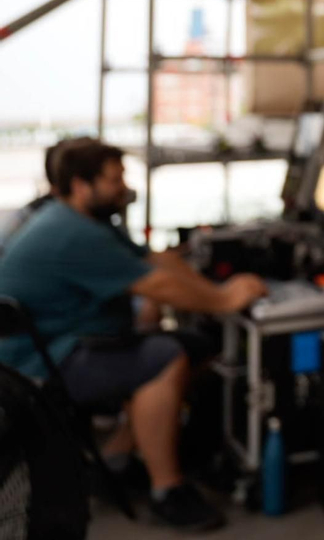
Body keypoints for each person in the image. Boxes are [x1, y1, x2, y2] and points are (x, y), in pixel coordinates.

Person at [0, 141, 267, 532]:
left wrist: (215, 291)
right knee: (164, 357)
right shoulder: (71, 232)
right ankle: (167, 490)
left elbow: (157, 260)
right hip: (37, 368)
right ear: (81, 184)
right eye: (114, 179)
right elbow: (157, 284)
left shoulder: (86, 220)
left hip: (64, 345)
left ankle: (118, 456)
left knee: (198, 346)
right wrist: (224, 300)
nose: (123, 187)